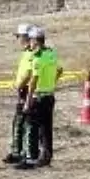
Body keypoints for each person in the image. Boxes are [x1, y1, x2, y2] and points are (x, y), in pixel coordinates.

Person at [20, 27, 63, 168]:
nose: (29, 43)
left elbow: (33, 80)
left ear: (35, 41)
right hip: (49, 96)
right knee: (46, 128)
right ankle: (46, 156)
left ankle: (32, 158)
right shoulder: (51, 53)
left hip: (38, 97)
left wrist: (28, 101)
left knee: (32, 126)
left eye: (30, 40)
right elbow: (60, 70)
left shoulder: (37, 58)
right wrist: (52, 83)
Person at [5, 24, 35, 165]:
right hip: (24, 91)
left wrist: (20, 85)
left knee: (26, 124)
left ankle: (25, 154)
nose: (18, 39)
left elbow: (31, 74)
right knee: (18, 122)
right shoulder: (26, 52)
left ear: (26, 37)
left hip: (28, 91)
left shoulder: (32, 53)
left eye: (19, 36)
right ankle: (17, 152)